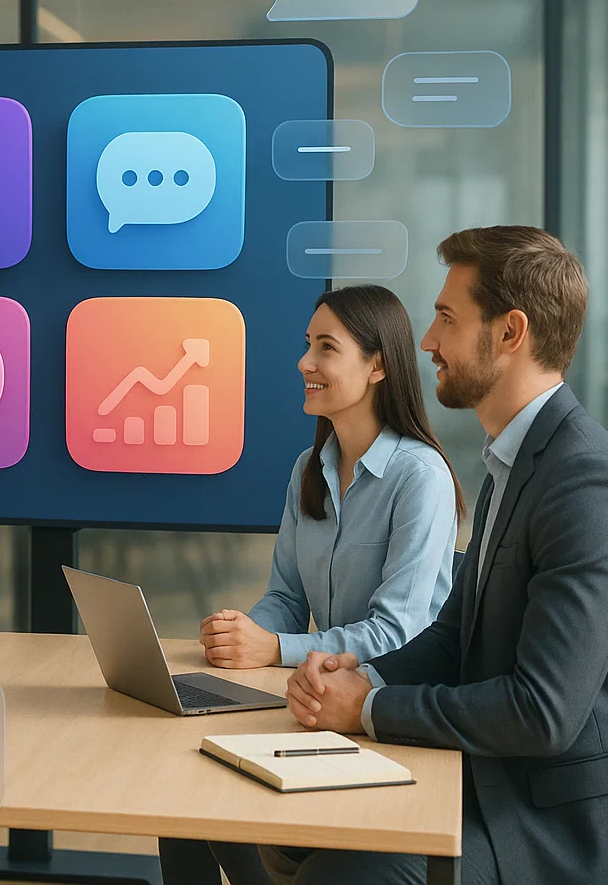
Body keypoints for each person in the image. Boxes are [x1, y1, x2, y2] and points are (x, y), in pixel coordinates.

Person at [278, 226, 608, 885]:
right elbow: (457, 637)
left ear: (510, 333)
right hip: (487, 778)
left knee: (342, 869)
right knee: (278, 825)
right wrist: (362, 675)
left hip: (551, 824)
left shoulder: (587, 485)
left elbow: (541, 713)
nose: (426, 341)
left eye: (446, 318)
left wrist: (368, 711)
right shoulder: (511, 465)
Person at [159, 284, 463, 885]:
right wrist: (243, 633)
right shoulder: (310, 469)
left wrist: (274, 650)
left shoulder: (418, 476)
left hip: (390, 716)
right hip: (320, 699)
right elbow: (287, 598)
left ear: (378, 366)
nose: (305, 363)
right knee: (183, 800)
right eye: (307, 345)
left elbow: (400, 632)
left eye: (327, 348)